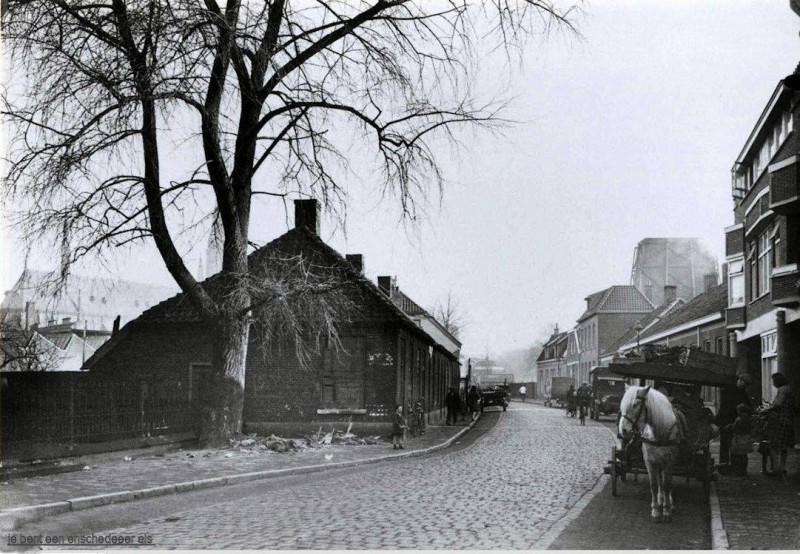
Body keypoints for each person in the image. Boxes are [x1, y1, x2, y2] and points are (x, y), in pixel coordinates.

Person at [717, 374, 754, 467]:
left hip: (736, 421)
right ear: (740, 380)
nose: (744, 386)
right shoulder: (728, 390)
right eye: (744, 384)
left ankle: (734, 464)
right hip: (727, 420)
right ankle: (724, 464)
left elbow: (748, 406)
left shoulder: (742, 392)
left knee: (735, 444)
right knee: (726, 443)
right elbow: (724, 407)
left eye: (746, 385)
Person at [762, 372, 795, 477]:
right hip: (788, 420)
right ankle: (782, 467)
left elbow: (778, 404)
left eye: (773, 381)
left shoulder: (783, 390)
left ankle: (776, 469)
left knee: (773, 445)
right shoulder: (789, 389)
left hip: (780, 420)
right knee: (784, 446)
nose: (772, 383)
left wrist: (767, 410)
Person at [727, 403, 753, 476]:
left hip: (739, 439)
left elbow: (735, 428)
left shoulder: (738, 419)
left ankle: (738, 470)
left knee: (737, 455)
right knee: (744, 455)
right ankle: (744, 470)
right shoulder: (748, 418)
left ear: (739, 411)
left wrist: (730, 426)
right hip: (746, 438)